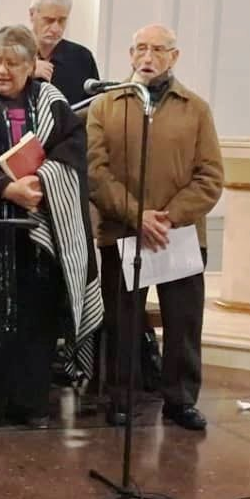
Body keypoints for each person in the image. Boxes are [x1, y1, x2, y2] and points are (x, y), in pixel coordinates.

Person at [0, 25, 102, 428]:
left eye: (12, 63)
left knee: (37, 318)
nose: (1, 70)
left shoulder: (51, 101)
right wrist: (6, 187)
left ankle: (32, 404)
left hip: (38, 231)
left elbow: (73, 147)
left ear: (32, 65)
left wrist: (42, 180)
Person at [88, 24, 223, 431]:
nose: (148, 57)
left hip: (178, 235)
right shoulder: (107, 105)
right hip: (124, 233)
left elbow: (210, 177)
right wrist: (137, 215)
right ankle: (122, 397)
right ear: (130, 54)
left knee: (183, 322)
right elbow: (95, 172)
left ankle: (180, 401)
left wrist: (168, 217)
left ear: (174, 57)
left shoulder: (195, 109)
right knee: (122, 322)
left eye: (159, 49)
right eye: (141, 49)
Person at [0, 0, 99, 105]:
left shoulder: (82, 58)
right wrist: (26, 72)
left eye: (62, 20)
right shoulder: (5, 50)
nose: (56, 28)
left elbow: (94, 107)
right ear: (32, 14)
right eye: (48, 20)